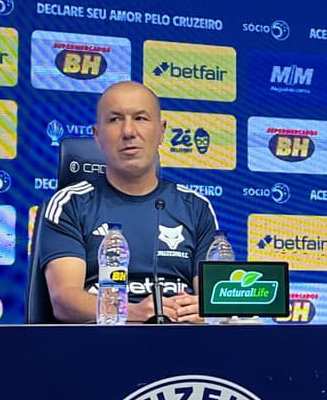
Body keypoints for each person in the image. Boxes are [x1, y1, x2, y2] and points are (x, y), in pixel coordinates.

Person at [39, 80, 219, 323]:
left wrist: (207, 311)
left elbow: (214, 299)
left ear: (161, 131)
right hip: (100, 348)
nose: (128, 132)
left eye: (141, 118)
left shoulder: (196, 207)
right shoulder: (69, 204)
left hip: (183, 347)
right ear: (97, 136)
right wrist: (132, 313)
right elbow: (64, 300)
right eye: (114, 119)